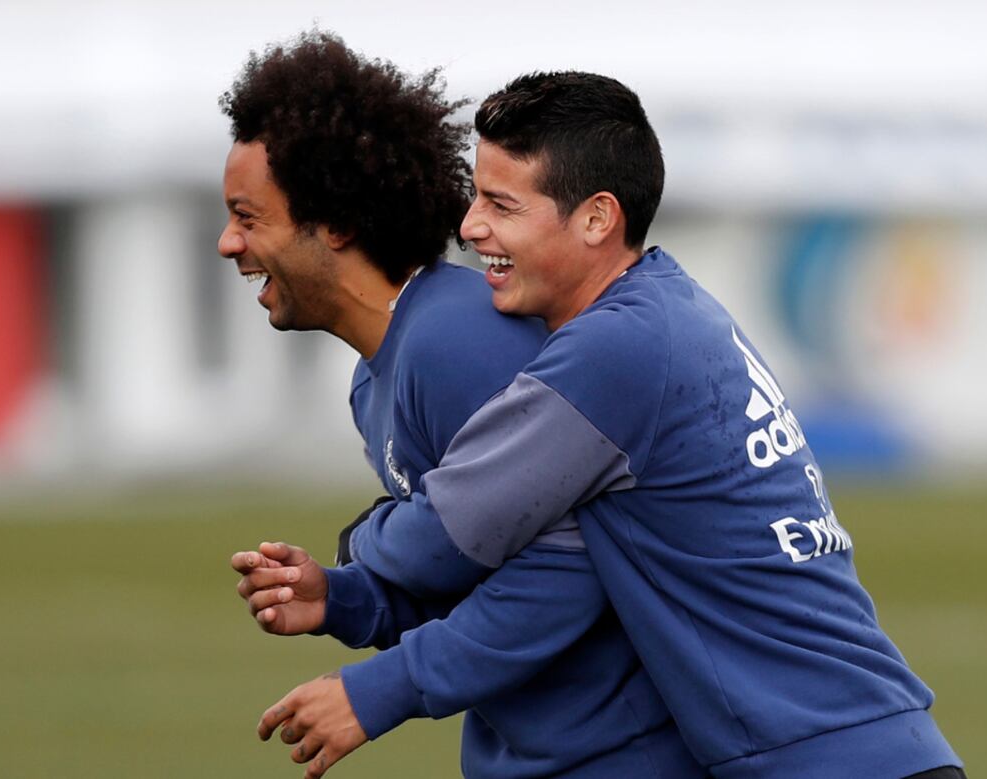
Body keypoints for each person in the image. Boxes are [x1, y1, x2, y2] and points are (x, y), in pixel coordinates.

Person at [252, 71, 967, 779]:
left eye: (502, 204)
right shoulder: (669, 310)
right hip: (865, 743)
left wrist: (358, 551)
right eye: (477, 197)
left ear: (597, 218)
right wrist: (348, 598)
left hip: (826, 756)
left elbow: (447, 530)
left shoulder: (613, 349)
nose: (470, 227)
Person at [218, 33, 702, 779]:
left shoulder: (456, 337)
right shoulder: (378, 376)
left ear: (335, 220)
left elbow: (572, 565)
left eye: (248, 217)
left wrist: (378, 685)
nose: (228, 243)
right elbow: (468, 566)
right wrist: (342, 596)